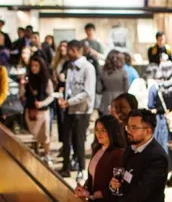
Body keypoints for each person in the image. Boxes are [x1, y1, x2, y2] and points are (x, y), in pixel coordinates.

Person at [99, 109, 169, 202]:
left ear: (148, 130)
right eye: (128, 127)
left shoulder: (157, 157)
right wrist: (113, 185)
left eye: (134, 128)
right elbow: (124, 179)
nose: (129, 131)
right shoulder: (131, 149)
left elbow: (140, 193)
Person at [57, 40, 96, 179]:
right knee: (66, 139)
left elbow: (88, 92)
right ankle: (66, 167)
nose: (67, 53)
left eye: (70, 50)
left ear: (77, 50)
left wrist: (69, 102)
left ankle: (81, 168)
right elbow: (68, 86)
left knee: (78, 140)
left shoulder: (88, 68)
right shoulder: (69, 66)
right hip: (68, 108)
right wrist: (63, 97)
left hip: (82, 110)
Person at [75, 114, 127, 202]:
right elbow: (92, 177)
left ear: (111, 132)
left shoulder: (119, 154)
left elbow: (116, 187)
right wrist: (84, 189)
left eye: (103, 130)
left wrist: (91, 195)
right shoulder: (97, 148)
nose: (99, 133)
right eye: (97, 130)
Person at [20, 56, 55, 165]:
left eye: (36, 66)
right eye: (32, 66)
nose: (34, 68)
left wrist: (42, 103)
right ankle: (35, 155)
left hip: (43, 111)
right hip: (31, 111)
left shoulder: (46, 80)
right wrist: (22, 85)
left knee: (45, 136)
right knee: (33, 136)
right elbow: (21, 95)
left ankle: (46, 155)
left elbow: (51, 96)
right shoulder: (28, 79)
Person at [97, 50, 130, 116]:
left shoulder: (101, 71)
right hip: (120, 103)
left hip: (105, 103)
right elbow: (126, 89)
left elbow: (98, 89)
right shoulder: (123, 72)